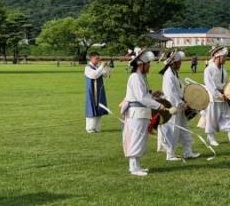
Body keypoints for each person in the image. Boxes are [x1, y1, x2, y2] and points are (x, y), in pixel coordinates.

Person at [121, 48, 177, 176]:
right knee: (136, 138)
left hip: (141, 112)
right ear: (141, 65)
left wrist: (155, 96)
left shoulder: (140, 77)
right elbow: (141, 98)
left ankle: (136, 165)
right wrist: (159, 105)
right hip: (136, 112)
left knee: (140, 138)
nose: (149, 66)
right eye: (148, 64)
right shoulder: (135, 77)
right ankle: (134, 168)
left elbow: (145, 95)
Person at [158, 50, 200, 161]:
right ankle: (170, 154)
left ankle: (188, 151)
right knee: (172, 129)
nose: (181, 63)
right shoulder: (168, 75)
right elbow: (170, 94)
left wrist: (185, 100)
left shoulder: (174, 73)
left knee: (184, 128)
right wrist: (181, 104)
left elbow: (178, 90)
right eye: (179, 61)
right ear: (173, 63)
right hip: (173, 107)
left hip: (179, 106)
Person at [203, 46, 230, 146]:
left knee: (228, 116)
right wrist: (219, 95)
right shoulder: (209, 70)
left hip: (224, 96)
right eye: (224, 57)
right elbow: (210, 86)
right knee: (212, 118)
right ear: (218, 57)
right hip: (213, 98)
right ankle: (211, 138)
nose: (225, 59)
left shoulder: (223, 70)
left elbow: (224, 84)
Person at [84, 52, 110, 133]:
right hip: (92, 91)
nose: (98, 60)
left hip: (99, 91)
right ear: (91, 58)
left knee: (99, 107)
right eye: (96, 58)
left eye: (98, 58)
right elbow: (94, 75)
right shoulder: (87, 67)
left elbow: (106, 75)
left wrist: (106, 67)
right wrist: (101, 66)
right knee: (91, 107)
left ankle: (97, 127)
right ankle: (90, 128)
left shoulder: (98, 67)